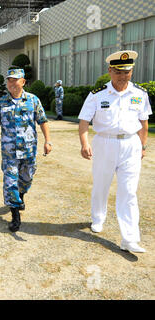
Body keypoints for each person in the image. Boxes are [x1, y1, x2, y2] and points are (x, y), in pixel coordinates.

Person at [78, 50, 152, 253]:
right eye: (119, 71)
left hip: (131, 145)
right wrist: (85, 143)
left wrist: (142, 146)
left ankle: (129, 238)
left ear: (132, 71)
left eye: (127, 72)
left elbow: (144, 123)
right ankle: (98, 218)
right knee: (101, 185)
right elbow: (84, 121)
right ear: (110, 70)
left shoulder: (140, 94)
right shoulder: (97, 95)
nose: (123, 76)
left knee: (129, 192)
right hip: (105, 144)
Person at [0, 68, 52, 232]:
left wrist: (48, 141)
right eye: (9, 80)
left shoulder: (33, 100)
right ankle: (15, 215)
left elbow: (43, 121)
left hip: (29, 150)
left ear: (23, 82)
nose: (12, 83)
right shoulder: (2, 102)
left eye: (15, 80)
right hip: (9, 152)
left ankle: (21, 195)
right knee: (10, 182)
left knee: (27, 178)